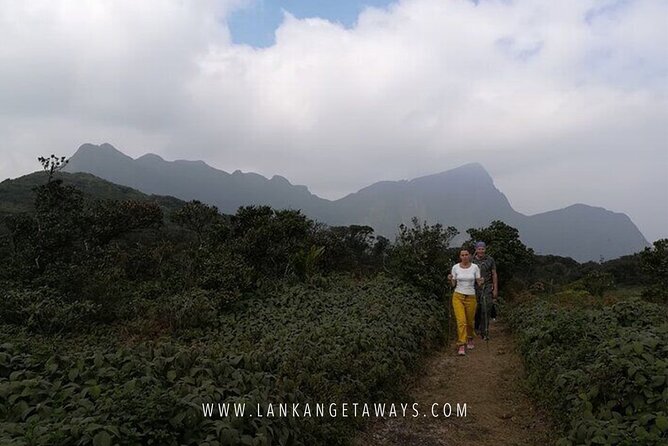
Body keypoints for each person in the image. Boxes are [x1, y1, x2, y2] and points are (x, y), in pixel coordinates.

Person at [448, 248, 483, 356]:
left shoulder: (475, 267)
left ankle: (470, 337)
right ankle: (461, 345)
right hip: (458, 296)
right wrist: (450, 279)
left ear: (470, 256)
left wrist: (481, 281)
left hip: (471, 297)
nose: (464, 257)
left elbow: (479, 283)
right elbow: (453, 284)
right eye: (462, 255)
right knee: (461, 321)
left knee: (469, 321)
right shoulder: (455, 267)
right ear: (460, 257)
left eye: (466, 254)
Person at [471, 241, 498, 341]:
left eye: (482, 249)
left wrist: (495, 288)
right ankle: (474, 329)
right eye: (479, 249)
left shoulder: (490, 260)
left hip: (486, 286)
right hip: (473, 287)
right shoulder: (472, 260)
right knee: (475, 309)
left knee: (486, 308)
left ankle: (485, 332)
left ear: (485, 249)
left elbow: (494, 274)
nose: (481, 251)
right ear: (476, 249)